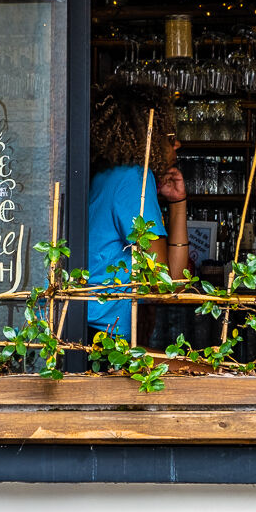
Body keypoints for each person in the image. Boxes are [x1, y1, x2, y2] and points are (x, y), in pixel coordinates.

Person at [87, 79, 188, 343]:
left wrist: (177, 203)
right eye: (169, 136)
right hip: (106, 338)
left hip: (89, 328)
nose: (177, 144)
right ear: (148, 137)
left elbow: (171, 282)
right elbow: (166, 283)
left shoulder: (107, 176)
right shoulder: (133, 179)